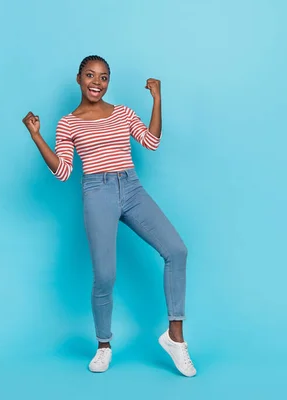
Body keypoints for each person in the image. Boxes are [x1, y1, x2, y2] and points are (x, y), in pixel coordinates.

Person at [22, 55, 196, 377]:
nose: (96, 83)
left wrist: (157, 99)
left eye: (103, 77)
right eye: (90, 75)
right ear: (78, 78)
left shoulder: (123, 113)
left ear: (108, 82)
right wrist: (36, 136)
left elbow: (152, 141)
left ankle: (175, 338)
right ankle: (103, 345)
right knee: (105, 276)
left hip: (131, 188)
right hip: (97, 192)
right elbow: (62, 172)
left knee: (176, 250)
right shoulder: (68, 123)